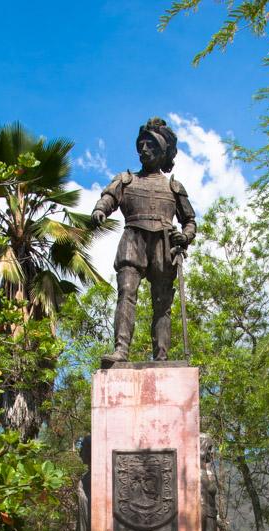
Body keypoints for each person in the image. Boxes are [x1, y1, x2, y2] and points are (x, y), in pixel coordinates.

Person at [91, 117, 196, 363]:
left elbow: (189, 221)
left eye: (151, 145)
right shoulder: (127, 180)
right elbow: (108, 198)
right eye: (142, 145)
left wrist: (185, 236)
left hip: (164, 243)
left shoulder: (173, 187)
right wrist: (100, 210)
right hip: (133, 239)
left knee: (162, 302)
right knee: (126, 293)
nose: (145, 150)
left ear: (164, 151)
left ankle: (161, 356)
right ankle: (121, 351)